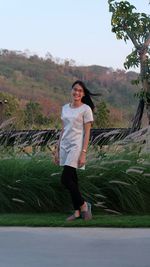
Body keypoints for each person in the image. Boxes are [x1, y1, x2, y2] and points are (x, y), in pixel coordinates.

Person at [55, 80, 97, 221]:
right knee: (73, 179)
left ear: (83, 94)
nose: (77, 92)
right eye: (75, 89)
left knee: (65, 179)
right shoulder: (65, 108)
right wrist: (57, 149)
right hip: (64, 146)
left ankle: (84, 205)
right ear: (71, 91)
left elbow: (87, 133)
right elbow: (63, 130)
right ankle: (77, 212)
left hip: (76, 146)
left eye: (80, 90)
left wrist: (83, 152)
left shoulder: (86, 109)